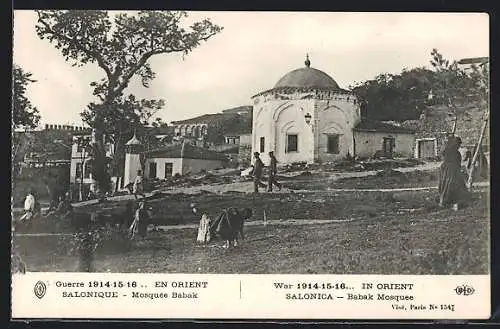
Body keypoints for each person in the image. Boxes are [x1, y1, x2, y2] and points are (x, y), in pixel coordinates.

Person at [438, 136, 468, 211]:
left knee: (445, 185)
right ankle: (449, 202)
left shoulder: (446, 150)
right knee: (450, 185)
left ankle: (445, 201)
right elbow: (457, 163)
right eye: (458, 144)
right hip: (451, 170)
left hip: (445, 169)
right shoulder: (455, 152)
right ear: (455, 144)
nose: (459, 146)